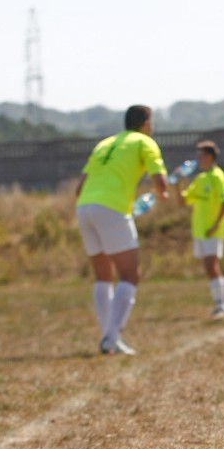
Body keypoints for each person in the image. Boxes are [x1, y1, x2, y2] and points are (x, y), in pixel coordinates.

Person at [75, 105, 168, 355]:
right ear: (146, 124)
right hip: (112, 208)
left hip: (84, 207)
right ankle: (111, 337)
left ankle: (108, 336)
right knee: (130, 275)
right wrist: (163, 195)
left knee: (103, 275)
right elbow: (160, 182)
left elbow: (80, 185)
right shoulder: (145, 142)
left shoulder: (104, 144)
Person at [173, 140, 224, 319]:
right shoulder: (200, 179)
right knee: (208, 267)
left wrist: (215, 225)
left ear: (211, 156)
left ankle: (221, 305)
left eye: (202, 154)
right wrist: (177, 184)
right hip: (199, 230)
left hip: (212, 230)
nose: (199, 158)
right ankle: (218, 303)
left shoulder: (217, 176)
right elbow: (184, 201)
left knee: (211, 265)